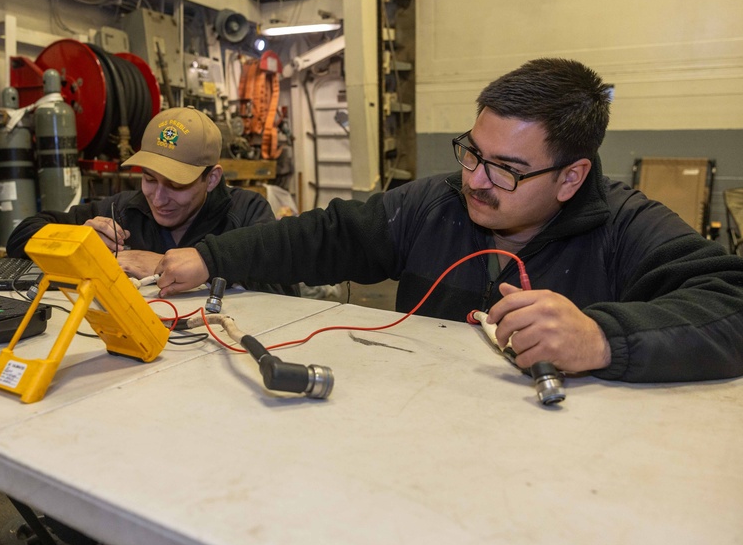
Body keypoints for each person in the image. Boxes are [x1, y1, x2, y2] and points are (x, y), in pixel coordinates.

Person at [155, 58, 743, 383]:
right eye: (472, 153)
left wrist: (601, 338)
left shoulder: (625, 225)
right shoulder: (431, 204)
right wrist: (210, 257)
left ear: (571, 177)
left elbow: (732, 305)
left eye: (507, 170)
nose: (476, 180)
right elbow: (326, 235)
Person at [7, 106, 292, 293]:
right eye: (149, 179)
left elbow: (284, 289)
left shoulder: (245, 213)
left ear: (212, 179)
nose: (158, 198)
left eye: (176, 184)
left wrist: (176, 264)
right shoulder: (124, 208)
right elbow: (21, 237)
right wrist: (78, 238)